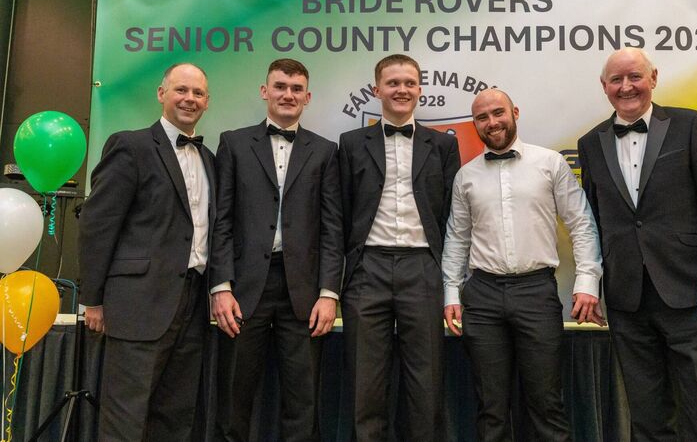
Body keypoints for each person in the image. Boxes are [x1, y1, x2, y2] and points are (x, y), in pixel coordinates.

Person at [577, 47, 697, 441]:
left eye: (634, 76)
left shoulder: (690, 125)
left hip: (691, 291)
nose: (626, 86)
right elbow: (594, 223)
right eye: (616, 80)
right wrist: (593, 285)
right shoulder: (590, 142)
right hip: (626, 300)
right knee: (647, 419)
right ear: (604, 86)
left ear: (654, 77)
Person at [442, 89, 603, 441]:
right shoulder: (465, 176)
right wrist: (451, 292)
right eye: (482, 117)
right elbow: (456, 238)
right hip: (481, 297)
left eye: (498, 113)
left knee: (546, 403)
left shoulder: (550, 163)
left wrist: (587, 283)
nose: (492, 123)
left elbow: (581, 223)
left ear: (515, 112)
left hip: (536, 291)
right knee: (491, 407)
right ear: (475, 124)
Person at [79, 62, 215, 441]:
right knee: (126, 416)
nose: (189, 99)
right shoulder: (131, 145)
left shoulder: (210, 160)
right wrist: (92, 300)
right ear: (161, 94)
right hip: (138, 302)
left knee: (175, 414)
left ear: (208, 102)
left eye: (198, 93)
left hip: (192, 302)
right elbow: (98, 224)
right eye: (181, 90)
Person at [209, 58, 343, 442]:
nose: (288, 94)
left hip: (303, 292)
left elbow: (333, 229)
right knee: (234, 398)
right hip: (243, 291)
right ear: (264, 91)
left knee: (303, 404)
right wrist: (220, 286)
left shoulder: (325, 150)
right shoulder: (233, 143)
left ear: (308, 97)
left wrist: (329, 293)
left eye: (296, 88)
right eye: (280, 86)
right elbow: (222, 219)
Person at [338, 54, 460, 441]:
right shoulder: (350, 143)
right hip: (366, 268)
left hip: (422, 267)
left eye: (409, 82)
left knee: (425, 383)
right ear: (377, 90)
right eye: (393, 83)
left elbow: (454, 216)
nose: (401, 90)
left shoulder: (443, 145)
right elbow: (341, 210)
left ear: (420, 89)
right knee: (365, 384)